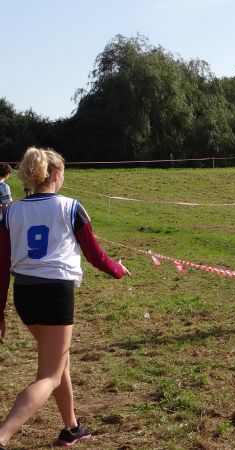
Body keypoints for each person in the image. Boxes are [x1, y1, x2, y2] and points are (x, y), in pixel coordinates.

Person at [0, 148, 131, 449]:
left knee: (59, 363)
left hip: (24, 293)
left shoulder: (11, 212)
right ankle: (3, 435)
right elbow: (96, 256)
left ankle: (71, 428)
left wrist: (0, 310)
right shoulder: (71, 207)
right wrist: (119, 270)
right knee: (49, 376)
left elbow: (2, 264)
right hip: (55, 293)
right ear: (56, 174)